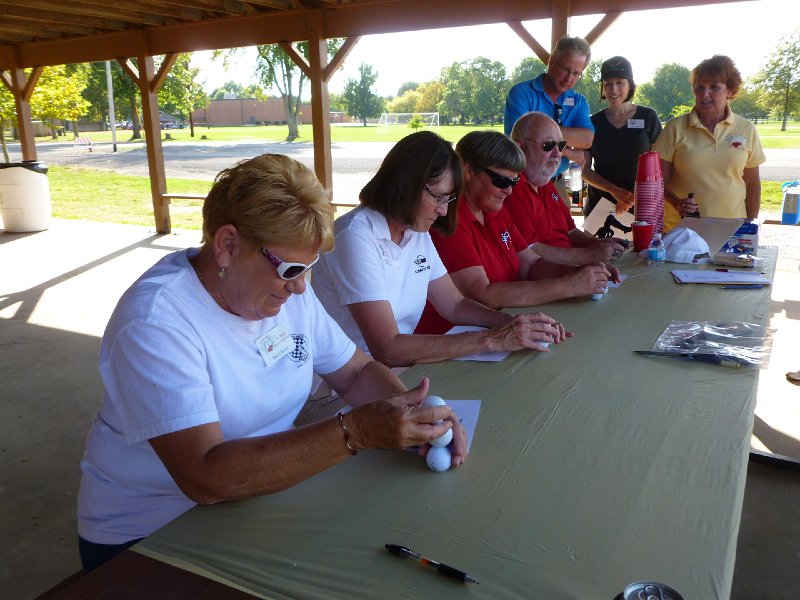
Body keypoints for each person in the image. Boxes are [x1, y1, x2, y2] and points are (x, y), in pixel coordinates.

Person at [76, 154, 467, 572]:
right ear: (228, 245)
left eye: (310, 268)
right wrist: (356, 432)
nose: (300, 287)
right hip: (152, 536)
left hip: (258, 499)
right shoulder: (156, 322)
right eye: (292, 269)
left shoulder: (280, 292)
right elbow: (204, 477)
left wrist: (414, 415)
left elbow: (354, 372)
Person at [312, 130, 567, 371]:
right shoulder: (355, 236)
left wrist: (511, 324)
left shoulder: (415, 231)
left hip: (391, 370)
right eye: (438, 197)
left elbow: (454, 305)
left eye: (449, 199)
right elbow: (387, 347)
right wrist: (491, 339)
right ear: (406, 184)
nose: (443, 210)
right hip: (343, 387)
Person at [415, 130, 613, 334]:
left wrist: (583, 274)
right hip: (457, 340)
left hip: (502, 325)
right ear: (468, 171)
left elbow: (531, 264)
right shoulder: (448, 220)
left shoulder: (494, 211)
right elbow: (483, 294)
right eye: (502, 181)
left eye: (514, 182)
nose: (508, 191)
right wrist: (567, 286)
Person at [653, 55, 765, 232]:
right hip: (682, 231)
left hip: (733, 229)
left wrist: (751, 225)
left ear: (730, 90)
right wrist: (676, 202)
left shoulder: (746, 128)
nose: (705, 94)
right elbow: (658, 181)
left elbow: (752, 183)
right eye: (700, 87)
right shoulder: (674, 128)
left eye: (714, 87)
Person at [504, 111, 626, 266]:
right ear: (520, 147)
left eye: (561, 145)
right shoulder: (511, 188)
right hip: (548, 278)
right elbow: (530, 250)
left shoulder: (545, 183)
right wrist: (589, 256)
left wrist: (600, 245)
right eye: (548, 145)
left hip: (569, 272)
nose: (557, 154)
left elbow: (571, 232)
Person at [504, 35, 595, 180]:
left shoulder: (578, 101)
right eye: (565, 69)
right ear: (551, 62)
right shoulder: (522, 93)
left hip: (556, 182)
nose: (569, 78)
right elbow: (517, 142)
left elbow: (587, 139)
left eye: (576, 73)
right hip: (522, 180)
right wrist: (569, 152)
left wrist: (543, 139)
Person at [582, 56, 662, 217]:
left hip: (642, 206)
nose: (613, 90)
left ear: (630, 85)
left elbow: (660, 166)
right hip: (600, 208)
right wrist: (614, 191)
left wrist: (631, 196)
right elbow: (584, 170)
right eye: (608, 84)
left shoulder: (648, 117)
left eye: (620, 83)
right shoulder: (592, 123)